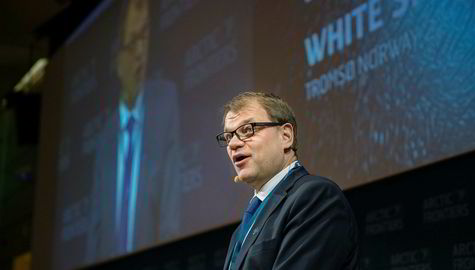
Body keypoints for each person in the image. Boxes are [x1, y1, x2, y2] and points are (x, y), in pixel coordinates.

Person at [216, 92, 358, 270]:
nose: (233, 144)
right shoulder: (240, 232)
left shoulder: (314, 197)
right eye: (228, 137)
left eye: (247, 130)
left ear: (285, 136)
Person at [85, 0, 181, 262]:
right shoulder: (105, 137)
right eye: (131, 42)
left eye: (144, 36)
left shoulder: (165, 101)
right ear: (117, 59)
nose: (140, 52)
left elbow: (172, 213)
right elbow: (95, 229)